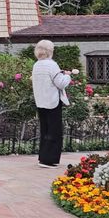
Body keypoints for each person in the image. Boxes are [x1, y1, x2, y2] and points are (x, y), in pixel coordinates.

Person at [31, 39, 71, 168]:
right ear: (50, 51)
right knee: (54, 130)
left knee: (45, 130)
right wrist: (68, 76)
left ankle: (43, 157)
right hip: (52, 101)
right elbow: (61, 83)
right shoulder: (51, 65)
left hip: (40, 101)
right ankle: (50, 160)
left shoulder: (37, 65)